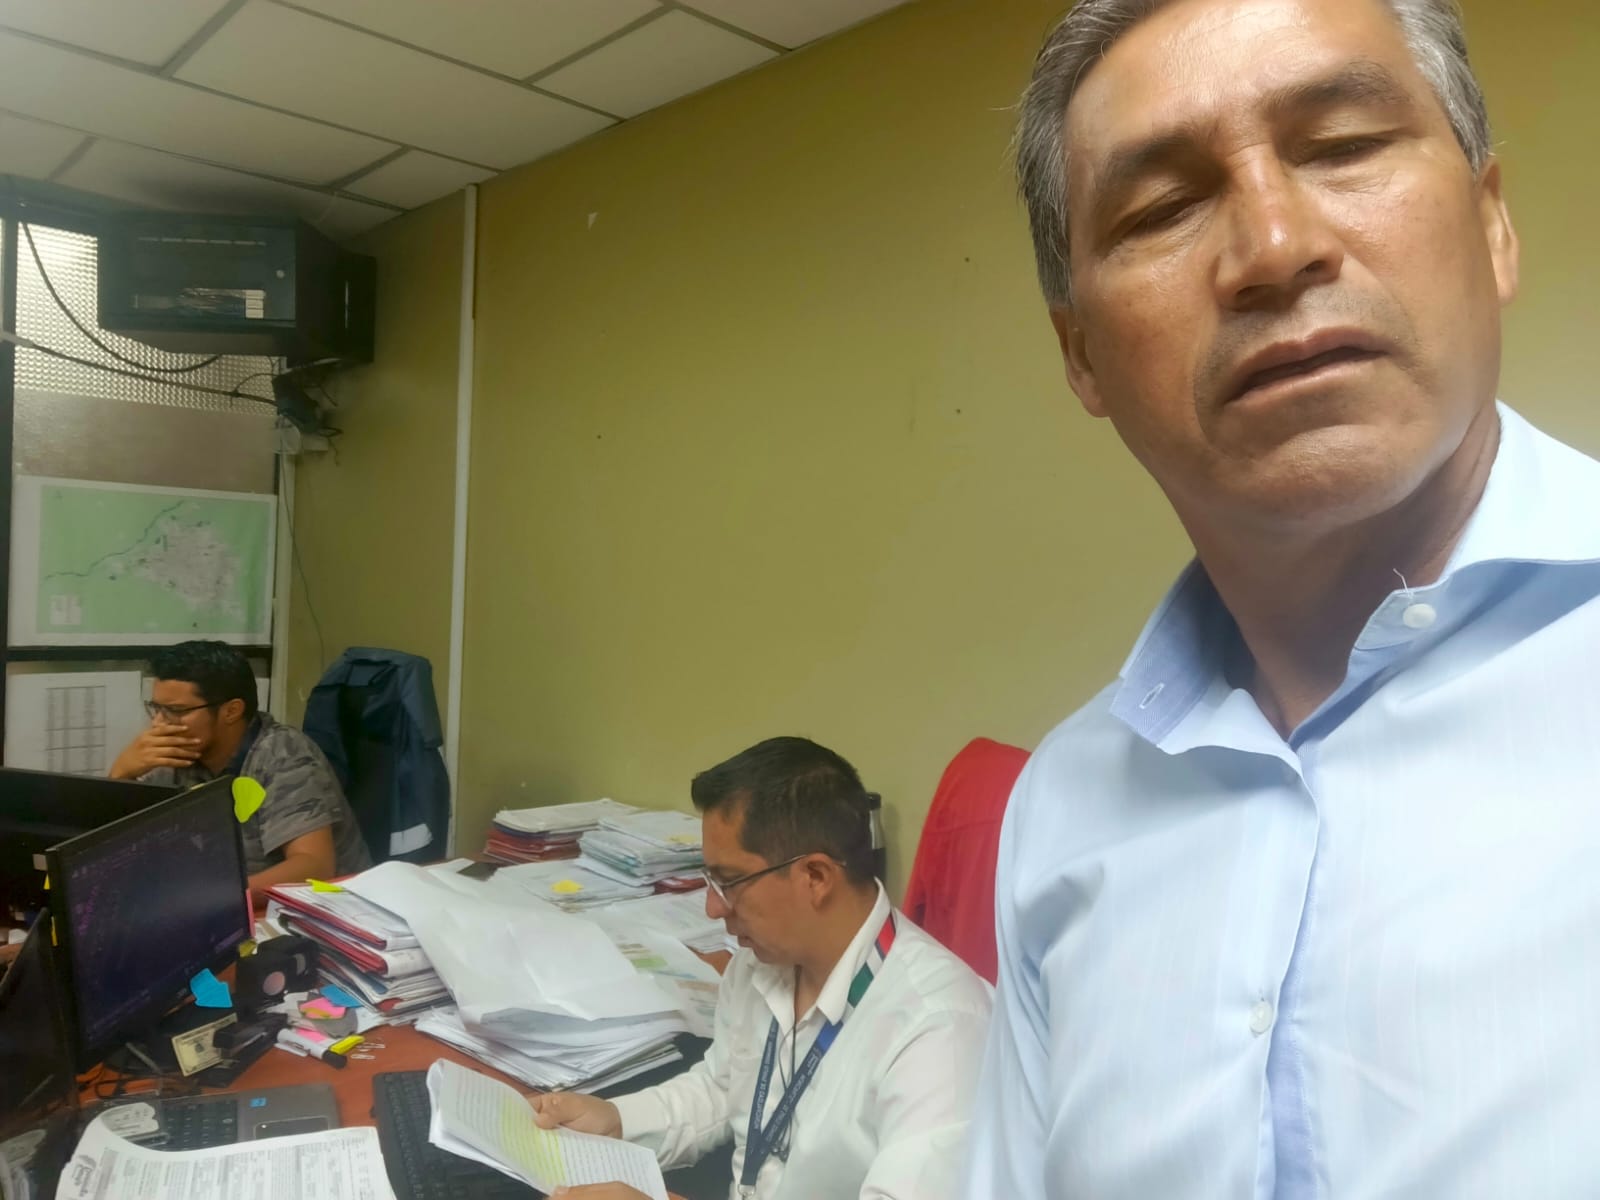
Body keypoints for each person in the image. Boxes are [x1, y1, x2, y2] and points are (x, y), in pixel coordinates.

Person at [968, 0, 1600, 1196]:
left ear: (1491, 223)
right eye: (1160, 210)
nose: (1270, 246)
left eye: (1343, 146)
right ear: (1081, 357)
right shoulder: (1060, 807)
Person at [530, 736, 992, 1199]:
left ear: (815, 877)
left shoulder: (940, 1029)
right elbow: (722, 1088)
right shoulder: (760, 963)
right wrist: (616, 1121)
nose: (713, 908)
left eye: (730, 881)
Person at [110, 641, 371, 890]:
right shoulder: (173, 750)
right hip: (219, 902)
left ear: (231, 711)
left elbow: (314, 866)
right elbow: (118, 852)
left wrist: (215, 897)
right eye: (156, 708)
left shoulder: (282, 753)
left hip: (308, 911)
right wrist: (122, 774)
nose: (159, 723)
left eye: (176, 711)